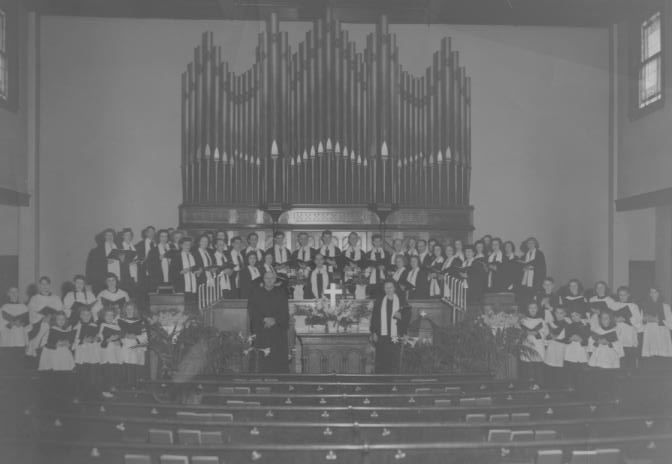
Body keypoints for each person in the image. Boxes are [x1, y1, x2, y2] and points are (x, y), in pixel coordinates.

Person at [247, 271, 290, 373]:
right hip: (261, 329)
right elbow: (252, 310)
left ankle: (279, 382)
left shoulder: (281, 293)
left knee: (277, 357)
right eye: (267, 278)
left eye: (272, 278)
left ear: (275, 280)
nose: (269, 280)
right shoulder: (256, 293)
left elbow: (285, 311)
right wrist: (264, 319)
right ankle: (261, 382)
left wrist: (275, 320)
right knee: (261, 359)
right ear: (263, 279)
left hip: (277, 329)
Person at [370, 280, 411, 374]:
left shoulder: (401, 300)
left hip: (396, 334)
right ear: (384, 289)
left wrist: (401, 315)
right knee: (381, 358)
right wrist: (374, 332)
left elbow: (408, 314)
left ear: (394, 288)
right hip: (382, 334)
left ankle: (394, 379)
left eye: (390, 287)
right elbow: (375, 317)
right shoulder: (379, 301)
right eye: (386, 287)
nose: (388, 289)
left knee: (394, 357)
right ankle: (381, 380)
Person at [73, 305, 100, 398]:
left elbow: (100, 337)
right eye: (84, 315)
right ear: (80, 315)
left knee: (93, 376)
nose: (86, 317)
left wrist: (97, 338)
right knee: (83, 376)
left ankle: (94, 396)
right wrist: (83, 341)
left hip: (93, 353)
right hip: (82, 354)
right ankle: (83, 396)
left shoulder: (95, 325)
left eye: (88, 315)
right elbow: (73, 343)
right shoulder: (76, 327)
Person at [118, 301, 147, 389]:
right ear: (125, 310)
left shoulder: (140, 321)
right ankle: (126, 385)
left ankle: (136, 385)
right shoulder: (120, 321)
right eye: (128, 309)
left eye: (131, 309)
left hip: (136, 344)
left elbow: (145, 335)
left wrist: (136, 337)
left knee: (135, 364)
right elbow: (116, 332)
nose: (129, 311)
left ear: (135, 310)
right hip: (125, 344)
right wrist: (125, 336)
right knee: (127, 364)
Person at [612, 286, 642, 369]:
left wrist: (626, 319)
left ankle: (630, 376)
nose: (622, 297)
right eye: (620, 295)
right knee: (618, 358)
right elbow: (609, 318)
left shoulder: (633, 306)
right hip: (617, 333)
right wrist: (615, 319)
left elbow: (638, 323)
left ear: (628, 295)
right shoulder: (615, 305)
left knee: (629, 358)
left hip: (629, 334)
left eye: (624, 295)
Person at [0, 286, 29, 370]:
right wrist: (11, 324)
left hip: (20, 340)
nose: (14, 294)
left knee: (20, 366)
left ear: (19, 293)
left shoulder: (24, 307)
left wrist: (22, 323)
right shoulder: (4, 307)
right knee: (9, 366)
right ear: (8, 294)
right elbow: (1, 324)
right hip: (8, 341)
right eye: (11, 292)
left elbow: (28, 325)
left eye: (16, 292)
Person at [86, 229, 121, 294]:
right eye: (107, 235)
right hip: (102, 281)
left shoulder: (120, 248)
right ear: (104, 237)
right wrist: (105, 261)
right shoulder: (96, 251)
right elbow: (91, 266)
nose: (110, 237)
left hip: (118, 280)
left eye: (111, 235)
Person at [520, 301, 547, 383]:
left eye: (534, 308)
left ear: (537, 309)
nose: (533, 310)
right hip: (527, 344)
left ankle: (538, 384)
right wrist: (526, 333)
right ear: (527, 309)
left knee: (538, 365)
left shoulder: (542, 321)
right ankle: (527, 384)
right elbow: (519, 332)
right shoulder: (523, 321)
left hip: (538, 345)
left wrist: (538, 333)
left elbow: (546, 333)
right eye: (531, 308)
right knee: (527, 365)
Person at [641, 287, 672, 358]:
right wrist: (647, 319)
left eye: (655, 292)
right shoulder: (645, 305)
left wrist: (659, 320)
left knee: (662, 354)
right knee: (651, 354)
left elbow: (670, 321)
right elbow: (641, 319)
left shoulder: (665, 306)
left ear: (659, 293)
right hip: (650, 330)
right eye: (651, 292)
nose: (653, 294)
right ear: (649, 294)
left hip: (661, 331)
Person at [97, 307, 122, 396]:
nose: (109, 317)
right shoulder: (102, 325)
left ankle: (113, 387)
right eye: (107, 315)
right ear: (103, 316)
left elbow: (120, 339)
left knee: (114, 370)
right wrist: (108, 340)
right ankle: (105, 390)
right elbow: (100, 341)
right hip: (106, 350)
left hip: (115, 351)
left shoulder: (117, 326)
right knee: (107, 370)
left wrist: (118, 342)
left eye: (111, 315)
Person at [544, 306, 569, 387]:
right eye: (557, 313)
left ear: (565, 314)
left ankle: (559, 388)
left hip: (562, 348)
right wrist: (549, 336)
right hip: (552, 347)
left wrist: (555, 337)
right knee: (550, 368)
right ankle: (551, 387)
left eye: (561, 313)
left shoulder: (567, 325)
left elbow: (567, 339)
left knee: (560, 369)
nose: (559, 315)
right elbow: (547, 337)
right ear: (554, 313)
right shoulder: (551, 323)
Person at [520, 237, 546, 301]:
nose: (530, 245)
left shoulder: (539, 254)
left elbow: (542, 268)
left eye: (532, 243)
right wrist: (523, 268)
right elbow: (521, 266)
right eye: (529, 243)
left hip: (536, 281)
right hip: (526, 281)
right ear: (526, 245)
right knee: (526, 299)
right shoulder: (525, 255)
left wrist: (533, 268)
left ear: (535, 244)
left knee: (534, 300)